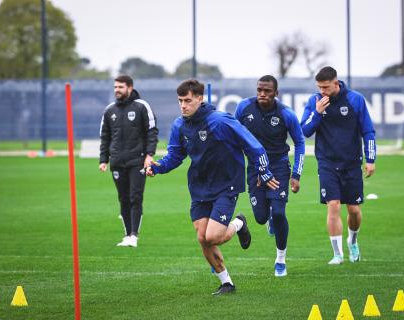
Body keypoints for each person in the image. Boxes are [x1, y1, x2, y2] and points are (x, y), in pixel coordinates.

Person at [146, 79, 278, 295]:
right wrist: (158, 167)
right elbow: (175, 155)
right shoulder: (180, 125)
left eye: (187, 100)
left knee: (213, 236)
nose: (183, 105)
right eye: (180, 101)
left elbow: (254, 146)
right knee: (202, 238)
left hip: (227, 184)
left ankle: (238, 223)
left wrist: (264, 171)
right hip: (199, 187)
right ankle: (227, 283)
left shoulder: (220, 121)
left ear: (200, 98)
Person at [301, 66, 376, 265]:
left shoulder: (355, 100)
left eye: (325, 87)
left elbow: (368, 131)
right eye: (319, 87)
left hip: (351, 163)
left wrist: (370, 159)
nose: (322, 91)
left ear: (336, 83)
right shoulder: (314, 101)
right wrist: (317, 113)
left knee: (353, 209)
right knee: (333, 205)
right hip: (326, 162)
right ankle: (337, 254)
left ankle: (353, 240)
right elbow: (305, 131)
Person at [235, 75, 305, 277]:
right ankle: (268, 219)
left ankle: (280, 260)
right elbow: (233, 133)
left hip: (278, 168)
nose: (262, 94)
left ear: (276, 93)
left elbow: (300, 143)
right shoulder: (243, 108)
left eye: (267, 91)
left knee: (280, 213)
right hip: (255, 169)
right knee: (260, 217)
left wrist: (296, 174)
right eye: (259, 90)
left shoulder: (286, 114)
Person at [99, 75, 158, 248]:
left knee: (135, 197)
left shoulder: (142, 106)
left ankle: (134, 235)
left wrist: (149, 154)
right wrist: (104, 159)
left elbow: (152, 131)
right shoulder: (109, 110)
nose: (117, 90)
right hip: (117, 161)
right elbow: (105, 136)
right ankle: (126, 235)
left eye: (120, 87)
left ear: (130, 88)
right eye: (115, 87)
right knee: (123, 199)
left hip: (137, 161)